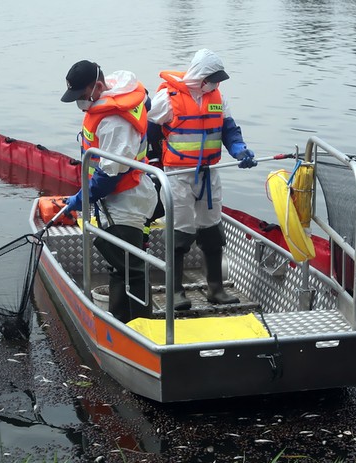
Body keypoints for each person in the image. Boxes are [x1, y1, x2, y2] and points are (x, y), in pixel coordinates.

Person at [147, 48, 257, 310]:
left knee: (212, 231)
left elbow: (229, 130)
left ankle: (216, 289)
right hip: (178, 175)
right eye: (213, 78)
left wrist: (239, 148)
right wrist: (155, 162)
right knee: (180, 232)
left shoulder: (218, 97)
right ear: (200, 76)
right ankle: (175, 292)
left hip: (209, 174)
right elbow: (149, 129)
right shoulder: (167, 98)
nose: (216, 83)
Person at [59, 60, 156, 323]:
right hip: (118, 199)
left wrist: (81, 199)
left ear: (98, 86)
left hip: (126, 200)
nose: (80, 102)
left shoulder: (115, 123)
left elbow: (108, 177)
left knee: (131, 268)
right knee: (121, 265)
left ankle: (139, 328)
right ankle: (121, 321)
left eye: (81, 96)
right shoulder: (113, 90)